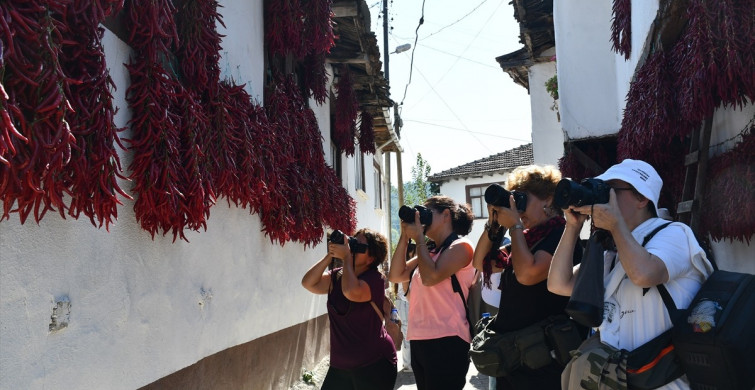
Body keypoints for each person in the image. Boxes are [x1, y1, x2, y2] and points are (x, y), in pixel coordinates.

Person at [548, 159, 713, 389]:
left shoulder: (675, 234)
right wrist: (572, 227)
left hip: (667, 382)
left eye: (611, 191)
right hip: (618, 380)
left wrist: (615, 225)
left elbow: (644, 273)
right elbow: (558, 283)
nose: (604, 199)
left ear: (642, 198)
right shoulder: (609, 250)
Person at [472, 165, 583, 390]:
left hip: (542, 357)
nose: (517, 208)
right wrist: (494, 224)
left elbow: (527, 274)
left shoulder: (561, 235)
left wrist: (514, 225)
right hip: (512, 354)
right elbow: (480, 262)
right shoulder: (526, 238)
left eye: (522, 200)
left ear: (549, 200)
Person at [389, 195, 476, 390]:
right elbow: (395, 275)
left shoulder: (461, 246)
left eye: (426, 213)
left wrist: (419, 237)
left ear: (446, 215)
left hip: (448, 339)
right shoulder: (429, 250)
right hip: (420, 338)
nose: (421, 219)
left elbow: (430, 278)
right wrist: (405, 236)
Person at [301, 228, 397, 390]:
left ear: (371, 259)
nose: (352, 248)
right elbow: (309, 283)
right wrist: (329, 256)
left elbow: (351, 292)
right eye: (353, 242)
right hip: (340, 365)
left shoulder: (375, 279)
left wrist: (346, 257)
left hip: (374, 363)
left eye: (358, 246)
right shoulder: (338, 275)